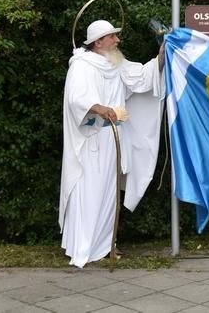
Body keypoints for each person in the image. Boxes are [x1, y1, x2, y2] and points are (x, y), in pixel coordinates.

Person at [59, 19, 164, 268]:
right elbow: (77, 99)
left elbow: (142, 78)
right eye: (112, 37)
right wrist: (102, 109)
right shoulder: (82, 66)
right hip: (92, 140)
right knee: (89, 193)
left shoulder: (115, 62)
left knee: (109, 194)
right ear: (98, 42)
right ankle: (82, 246)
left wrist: (161, 56)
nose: (117, 40)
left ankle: (106, 246)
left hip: (114, 138)